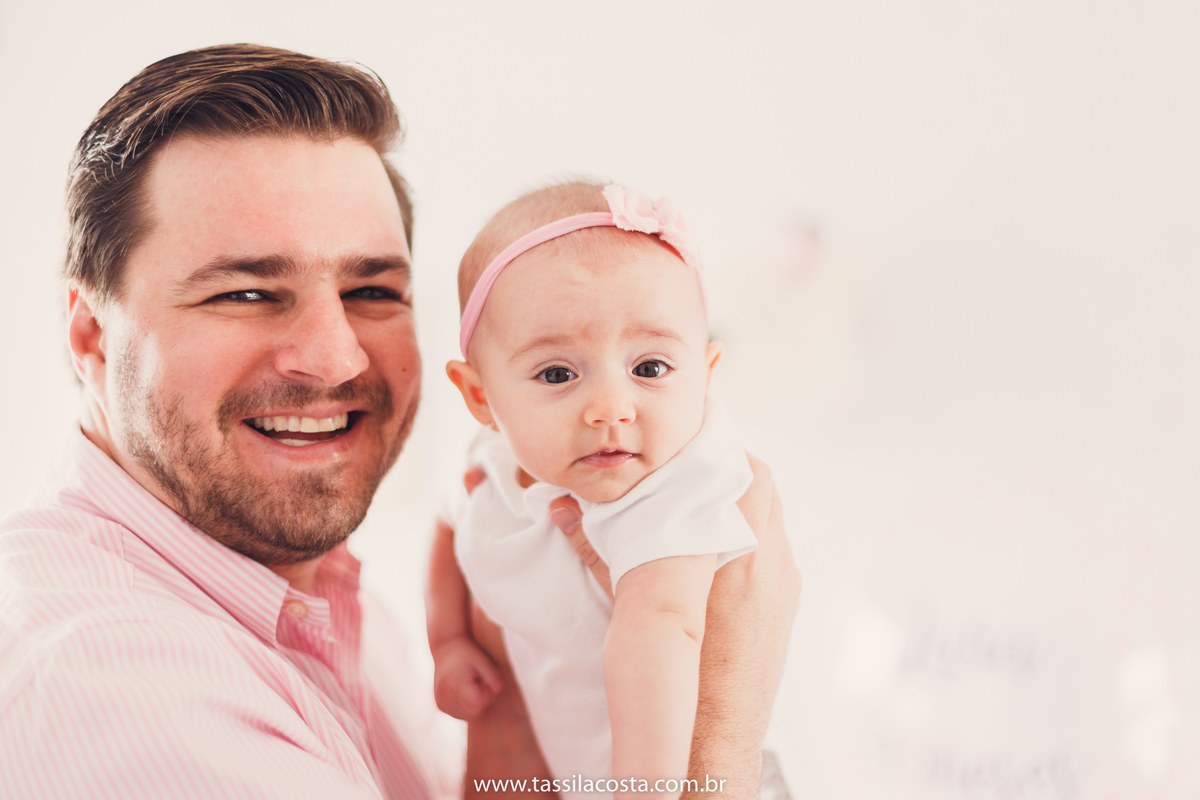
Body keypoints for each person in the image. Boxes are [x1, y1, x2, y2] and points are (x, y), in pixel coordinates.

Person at [0, 44, 800, 800]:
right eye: (245, 293)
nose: (334, 358)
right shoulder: (114, 684)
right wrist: (725, 712)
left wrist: (513, 699)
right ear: (92, 334)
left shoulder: (331, 601)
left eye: (372, 291)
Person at [428, 181, 759, 800]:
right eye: (557, 373)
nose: (611, 408)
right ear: (481, 396)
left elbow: (660, 629)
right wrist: (447, 641)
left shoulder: (674, 484)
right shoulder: (494, 461)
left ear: (705, 376)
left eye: (650, 368)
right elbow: (451, 523)